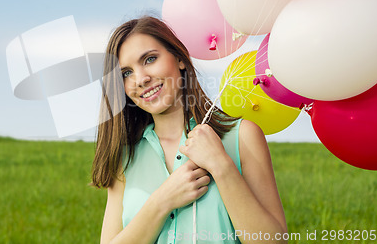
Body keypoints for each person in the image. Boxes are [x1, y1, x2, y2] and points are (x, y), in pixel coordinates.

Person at [91, 16, 287, 243]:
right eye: (126, 73)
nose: (141, 79)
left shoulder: (242, 136)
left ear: (179, 58)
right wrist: (162, 201)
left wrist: (222, 166)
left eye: (150, 59)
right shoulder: (125, 157)